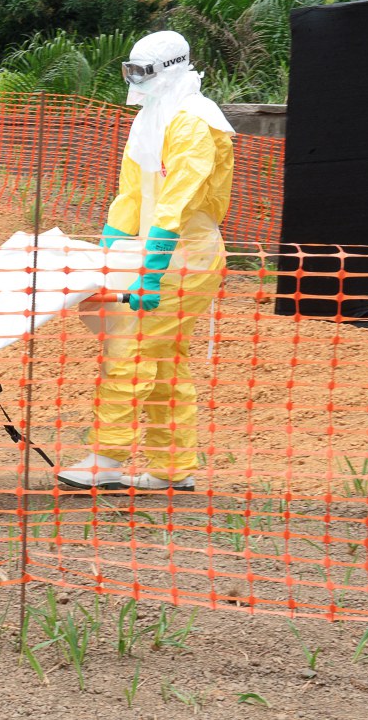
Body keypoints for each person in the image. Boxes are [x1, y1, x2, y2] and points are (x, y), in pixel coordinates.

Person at [58, 30, 235, 493]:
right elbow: (131, 196)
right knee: (164, 358)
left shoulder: (195, 123)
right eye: (129, 70)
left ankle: (108, 458)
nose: (135, 80)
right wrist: (107, 258)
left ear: (171, 68)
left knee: (129, 348)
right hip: (154, 248)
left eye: (143, 71)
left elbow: (176, 204)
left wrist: (151, 273)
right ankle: (172, 468)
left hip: (188, 254)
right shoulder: (151, 119)